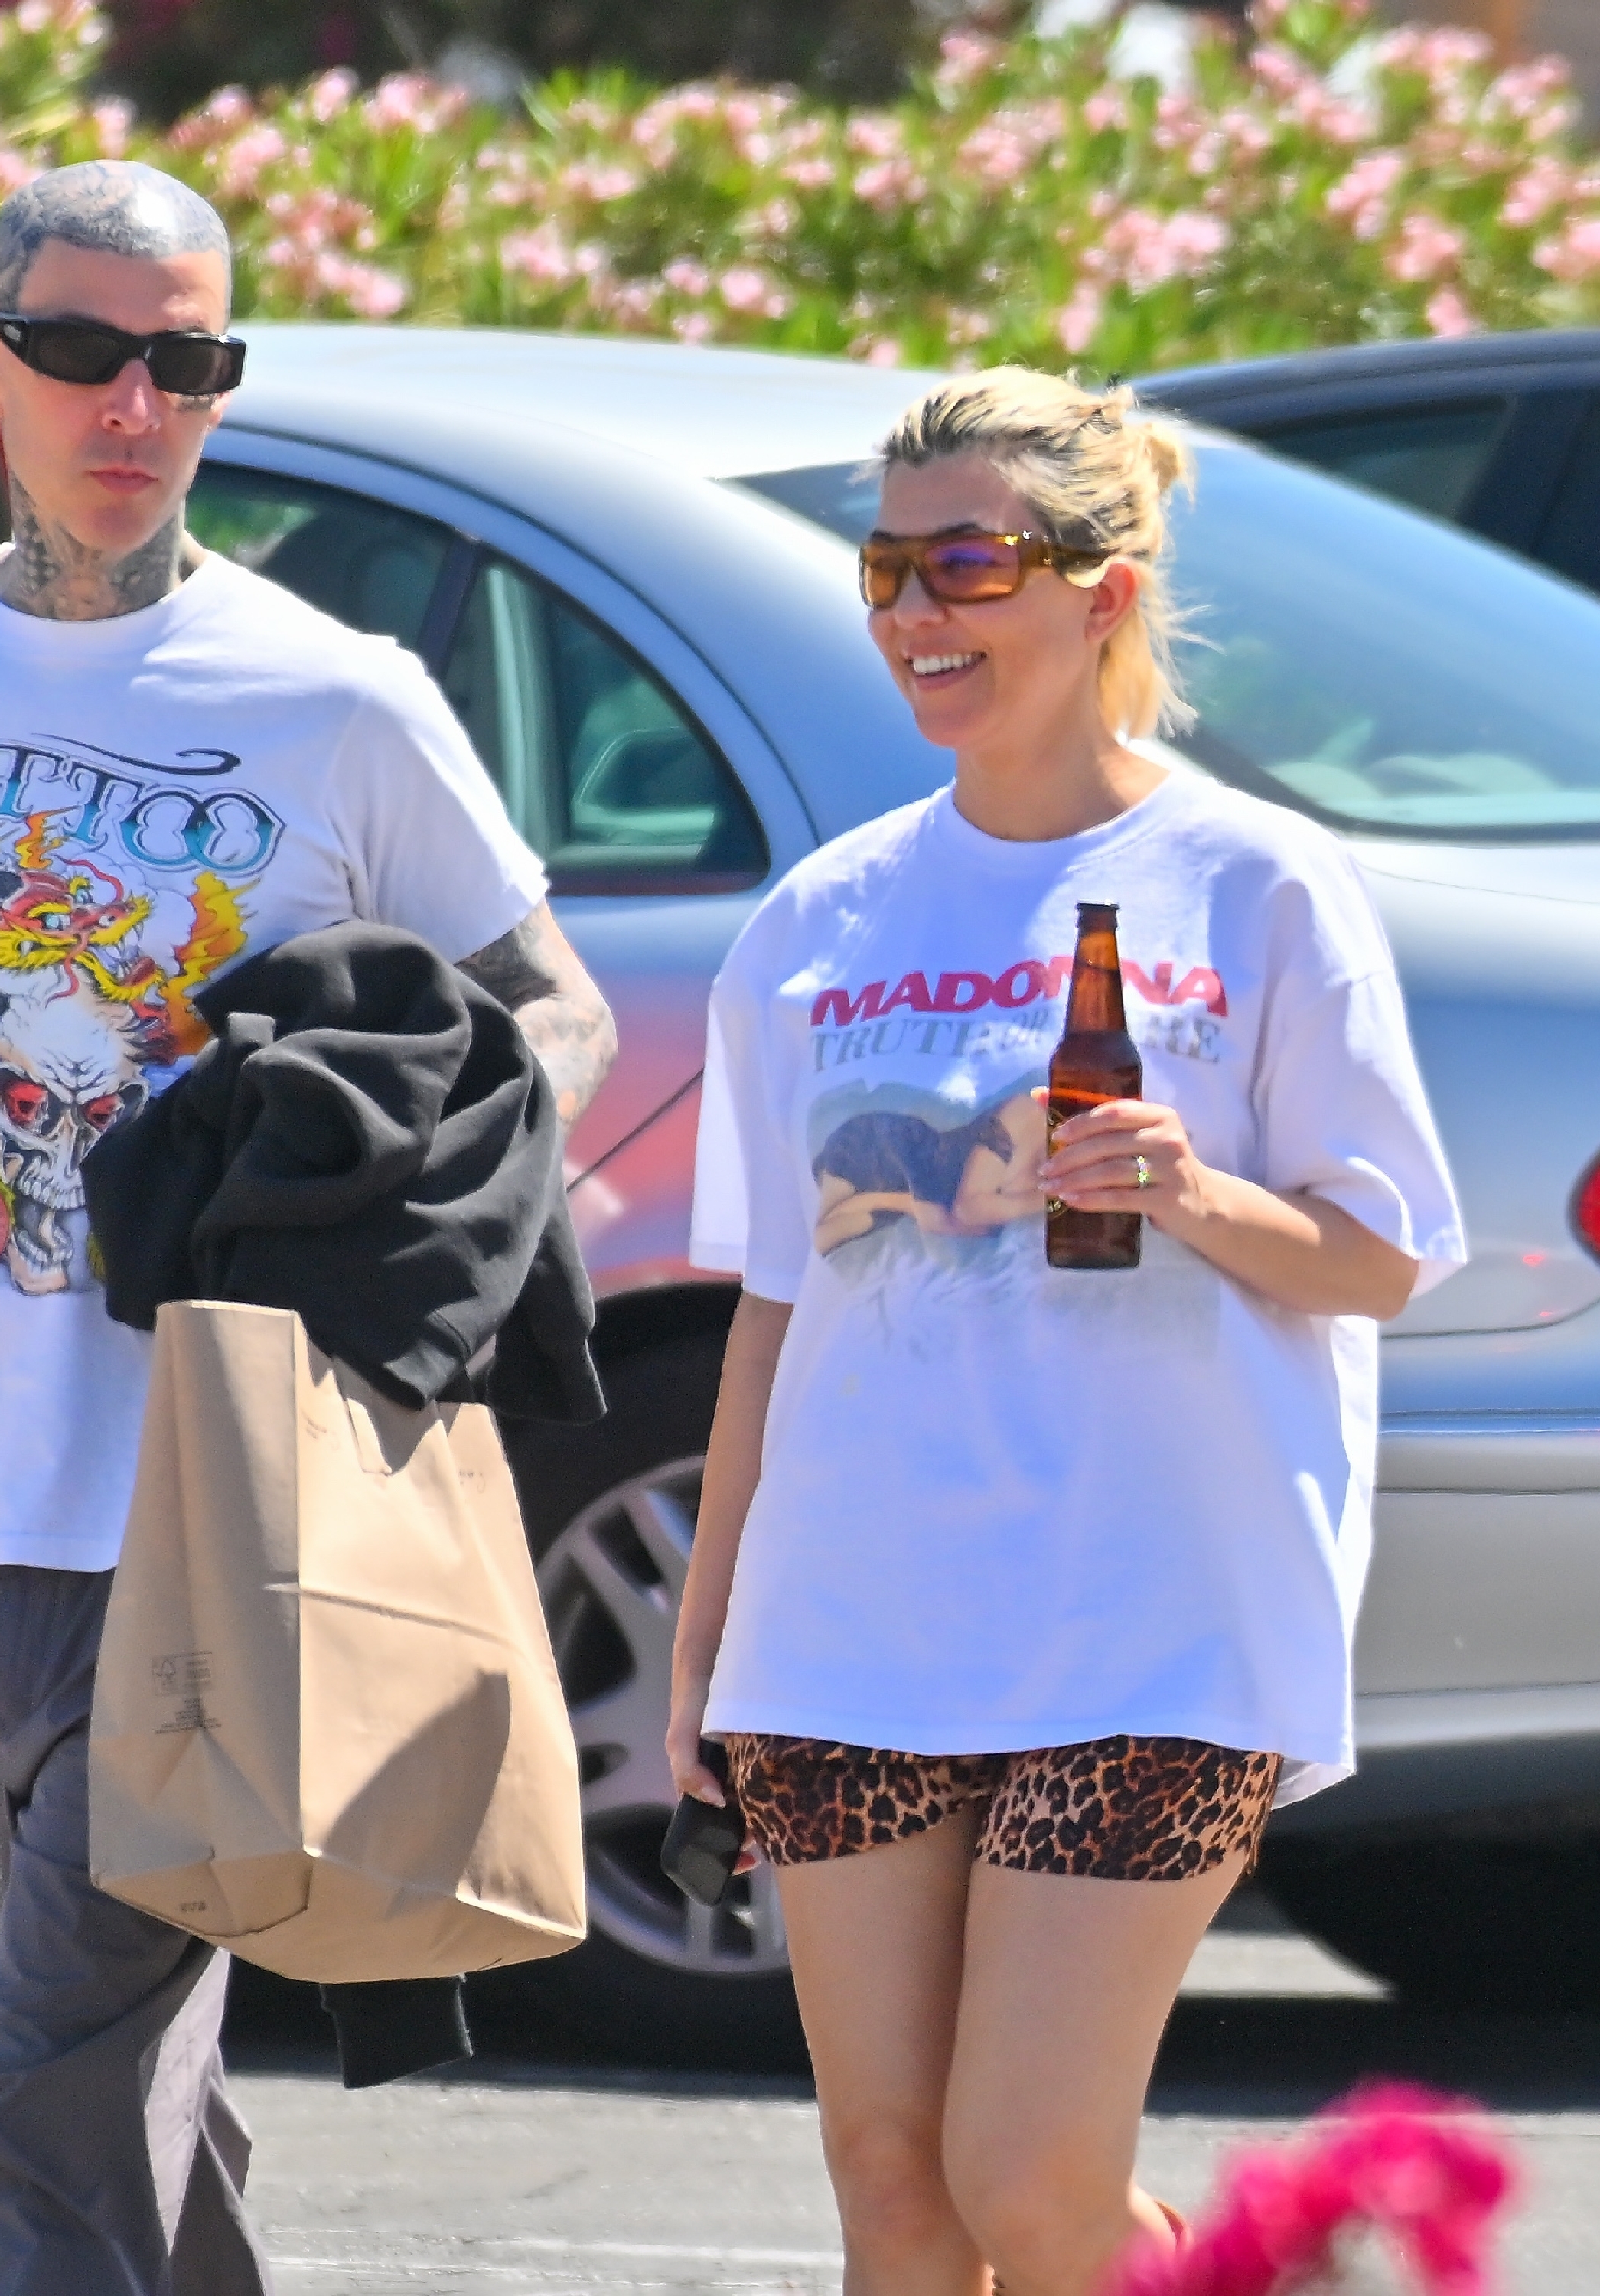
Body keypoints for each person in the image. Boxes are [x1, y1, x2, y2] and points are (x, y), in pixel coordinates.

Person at [0, 161, 615, 2294]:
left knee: (44, 2108)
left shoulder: (329, 696)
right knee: (86, 2091)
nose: (132, 402)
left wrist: (352, 1164)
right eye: (80, 351)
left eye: (187, 359)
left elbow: (552, 1017)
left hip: (204, 1519)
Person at [670, 368, 1462, 2296]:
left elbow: (1380, 1259)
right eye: (888, 570)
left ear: (1101, 595)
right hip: (856, 1614)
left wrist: (1190, 1190)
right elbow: (779, 1307)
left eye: (967, 565)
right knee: (893, 2186)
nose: (916, 618)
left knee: (1030, 2181)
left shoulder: (1259, 883)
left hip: (1157, 1616)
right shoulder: (821, 915)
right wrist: (710, 1643)